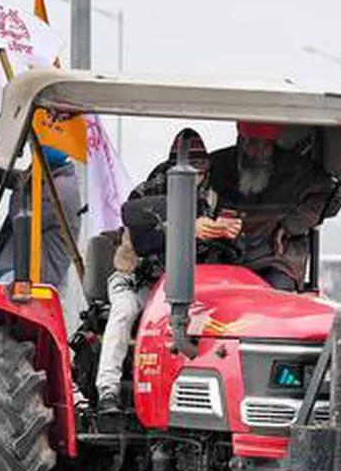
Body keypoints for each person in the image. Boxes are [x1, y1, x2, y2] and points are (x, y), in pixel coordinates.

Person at [95, 129, 241, 412]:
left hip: (194, 286)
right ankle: (108, 390)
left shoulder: (216, 197)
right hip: (140, 279)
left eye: (200, 168)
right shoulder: (145, 194)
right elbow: (140, 236)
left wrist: (229, 230)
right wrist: (189, 228)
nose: (196, 176)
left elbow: (233, 234)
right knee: (123, 311)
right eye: (190, 168)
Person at [209, 121, 341, 291]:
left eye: (266, 145)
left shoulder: (296, 169)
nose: (258, 153)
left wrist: (291, 225)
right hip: (225, 258)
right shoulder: (216, 166)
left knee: (275, 297)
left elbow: (334, 196)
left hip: (276, 260)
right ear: (240, 139)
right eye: (253, 143)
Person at [0, 146, 83, 288]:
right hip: (20, 269)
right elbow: (22, 179)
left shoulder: (60, 189)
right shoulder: (51, 177)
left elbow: (20, 212)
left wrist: (20, 185)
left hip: (35, 276)